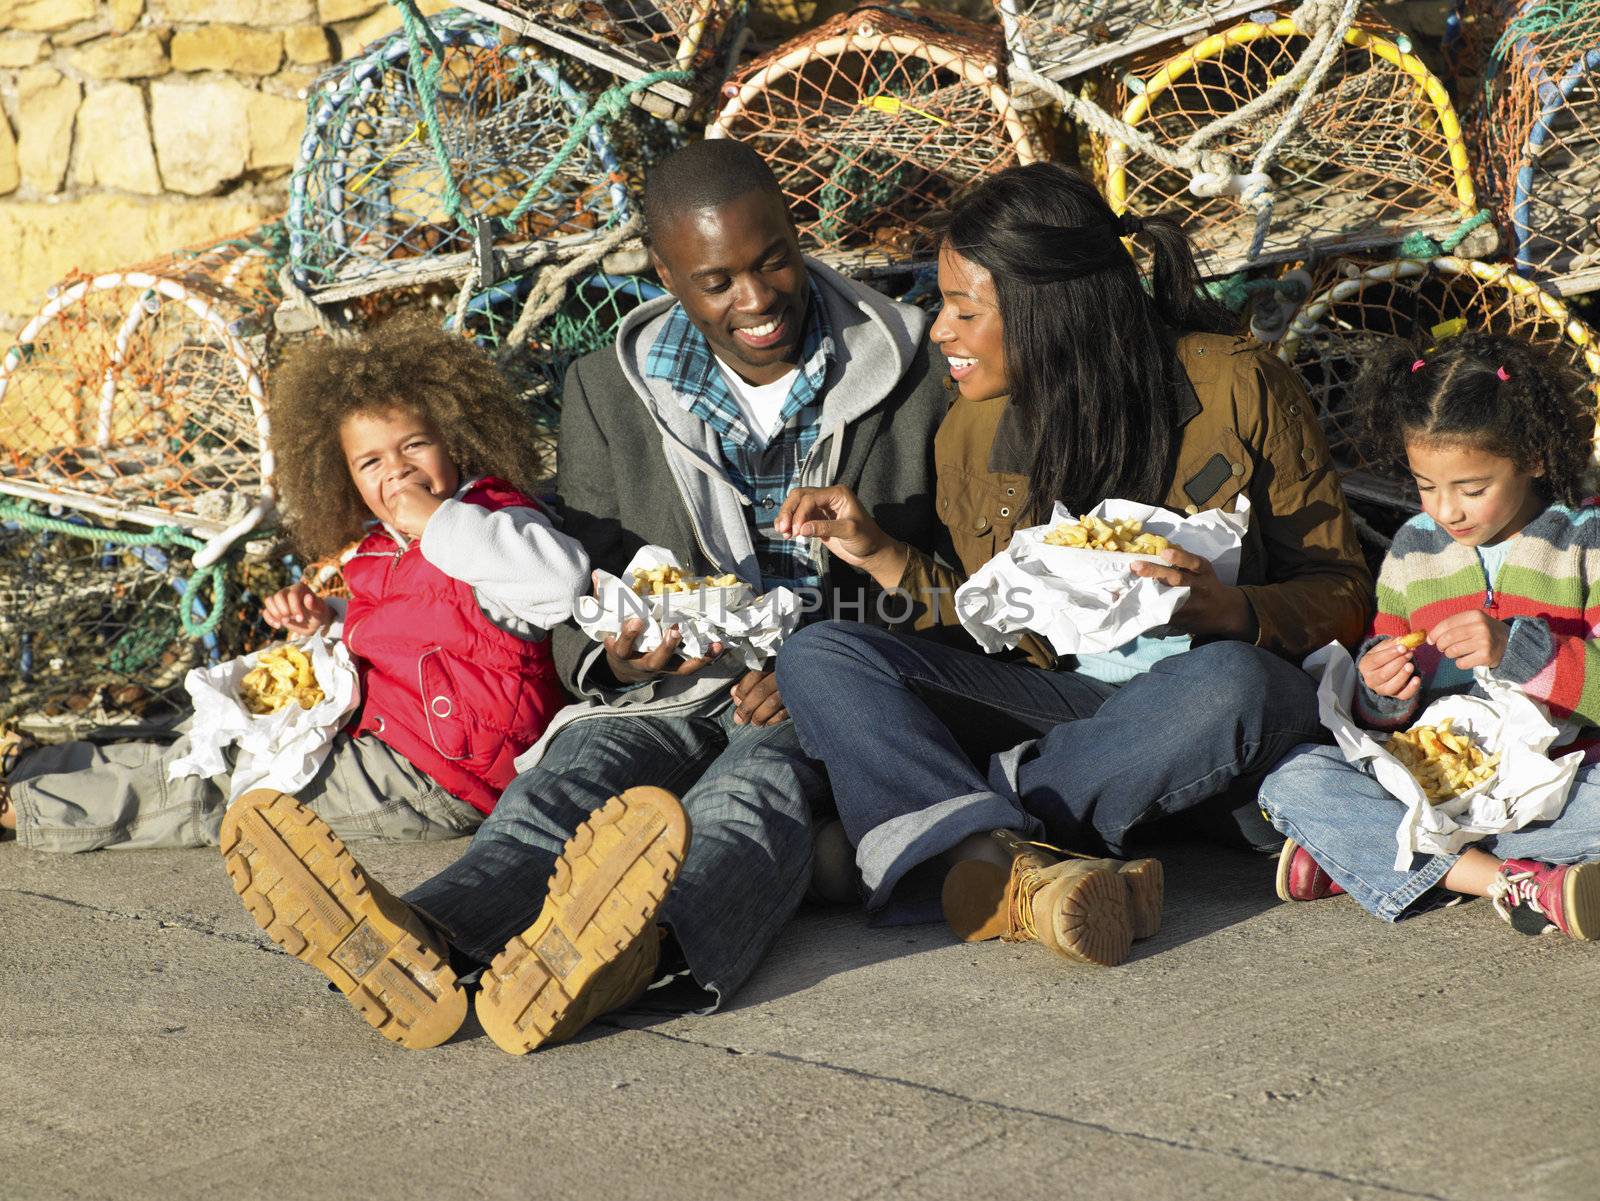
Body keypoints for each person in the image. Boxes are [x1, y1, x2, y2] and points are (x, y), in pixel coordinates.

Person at [221, 139, 950, 1052]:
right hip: (666, 680)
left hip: (827, 690)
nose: (756, 300)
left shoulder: (912, 376)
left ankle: (633, 956)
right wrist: (611, 657)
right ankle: (423, 942)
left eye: (771, 263)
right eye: (716, 281)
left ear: (797, 239)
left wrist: (825, 659)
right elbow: (578, 577)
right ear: (667, 275)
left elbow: (944, 585)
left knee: (749, 800)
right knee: (563, 789)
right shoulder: (608, 390)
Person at [775, 162, 1372, 967]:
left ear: (1046, 309)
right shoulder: (970, 432)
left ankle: (957, 832)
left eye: (965, 309)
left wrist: (1236, 611)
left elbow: (1341, 591)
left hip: (1191, 717)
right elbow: (987, 620)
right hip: (1063, 704)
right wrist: (876, 551)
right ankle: (1009, 856)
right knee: (821, 652)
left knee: (1241, 683)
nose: (939, 330)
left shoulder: (1236, 387)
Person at [0, 316, 588, 851]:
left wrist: (438, 521)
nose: (399, 470)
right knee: (210, 725)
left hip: (436, 777)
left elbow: (559, 582)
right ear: (345, 477)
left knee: (220, 786)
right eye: (371, 463)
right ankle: (39, 767)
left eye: (415, 445)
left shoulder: (495, 521)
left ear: (455, 441)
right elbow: (411, 622)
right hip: (387, 734)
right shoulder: (383, 545)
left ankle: (26, 808)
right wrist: (330, 617)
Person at [1261, 333, 1600, 937]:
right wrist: (1382, 691)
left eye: (1472, 489)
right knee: (1294, 779)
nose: (1446, 511)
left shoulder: (1585, 541)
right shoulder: (1414, 552)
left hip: (1562, 780)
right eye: (1425, 486)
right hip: (1436, 790)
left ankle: (1376, 854)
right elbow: (1381, 719)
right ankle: (1513, 883)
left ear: (1534, 460)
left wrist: (1520, 652)